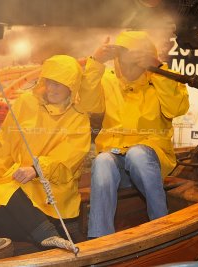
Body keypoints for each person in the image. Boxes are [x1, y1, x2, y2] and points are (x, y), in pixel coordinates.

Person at [81, 31, 190, 238]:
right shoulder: (107, 79)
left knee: (137, 154)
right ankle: (99, 240)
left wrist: (158, 69)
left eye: (135, 61)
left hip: (150, 163)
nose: (127, 67)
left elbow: (177, 109)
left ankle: (162, 227)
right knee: (103, 160)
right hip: (116, 165)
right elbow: (86, 104)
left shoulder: (161, 80)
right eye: (122, 60)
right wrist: (95, 62)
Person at [0, 55, 91, 248]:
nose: (51, 89)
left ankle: (48, 236)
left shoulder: (79, 116)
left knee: (7, 200)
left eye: (58, 84)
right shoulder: (25, 102)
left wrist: (37, 168)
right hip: (19, 180)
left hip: (53, 185)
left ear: (72, 86)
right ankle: (47, 241)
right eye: (49, 82)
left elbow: (70, 157)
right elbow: (5, 145)